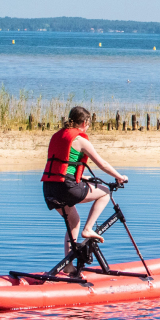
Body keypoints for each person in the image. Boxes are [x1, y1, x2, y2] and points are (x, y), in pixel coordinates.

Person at [41, 106, 128, 253]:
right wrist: (120, 177)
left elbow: (64, 163)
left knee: (73, 222)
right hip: (66, 188)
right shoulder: (80, 140)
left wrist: (81, 177)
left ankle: (68, 267)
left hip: (49, 188)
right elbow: (103, 164)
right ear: (84, 122)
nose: (87, 127)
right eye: (88, 124)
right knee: (105, 192)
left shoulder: (58, 136)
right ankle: (88, 229)